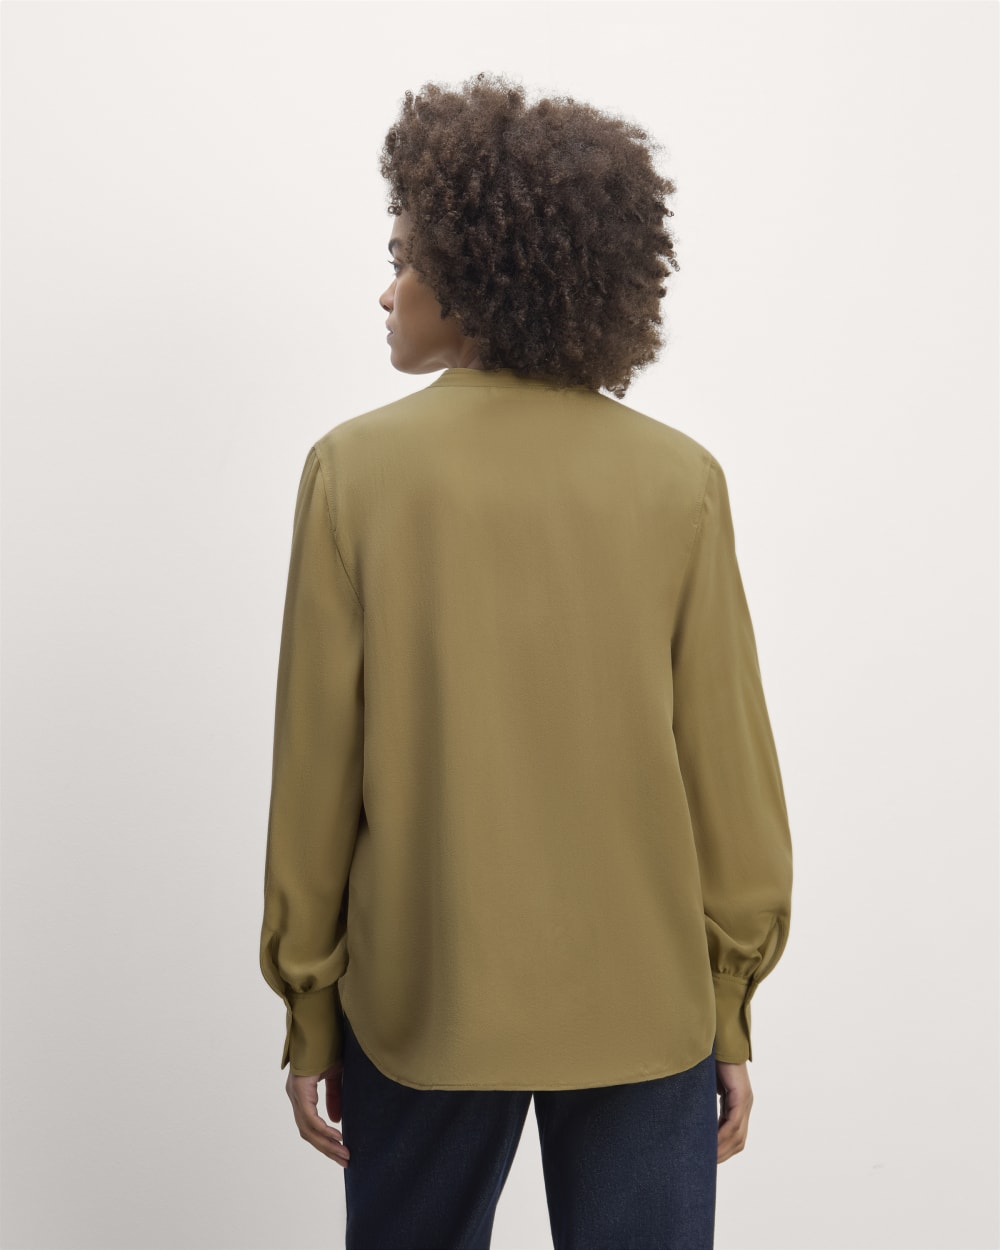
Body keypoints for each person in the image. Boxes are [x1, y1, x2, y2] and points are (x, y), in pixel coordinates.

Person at [259, 71, 793, 1250]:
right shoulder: (678, 481)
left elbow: (315, 774)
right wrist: (728, 1008)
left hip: (422, 999)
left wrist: (310, 1008)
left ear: (475, 275)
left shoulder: (353, 473)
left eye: (403, 259)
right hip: (648, 1005)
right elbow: (732, 779)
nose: (386, 288)